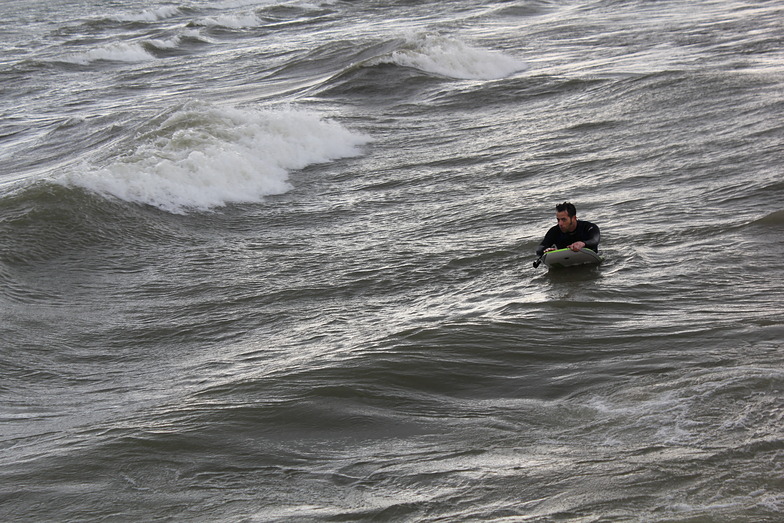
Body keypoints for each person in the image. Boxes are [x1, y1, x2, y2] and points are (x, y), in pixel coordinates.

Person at [535, 202, 600, 257]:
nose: (560, 223)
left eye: (564, 220)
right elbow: (540, 248)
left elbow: (595, 240)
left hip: (589, 258)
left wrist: (583, 243)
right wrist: (546, 250)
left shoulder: (588, 227)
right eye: (558, 220)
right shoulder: (554, 231)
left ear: (574, 218)